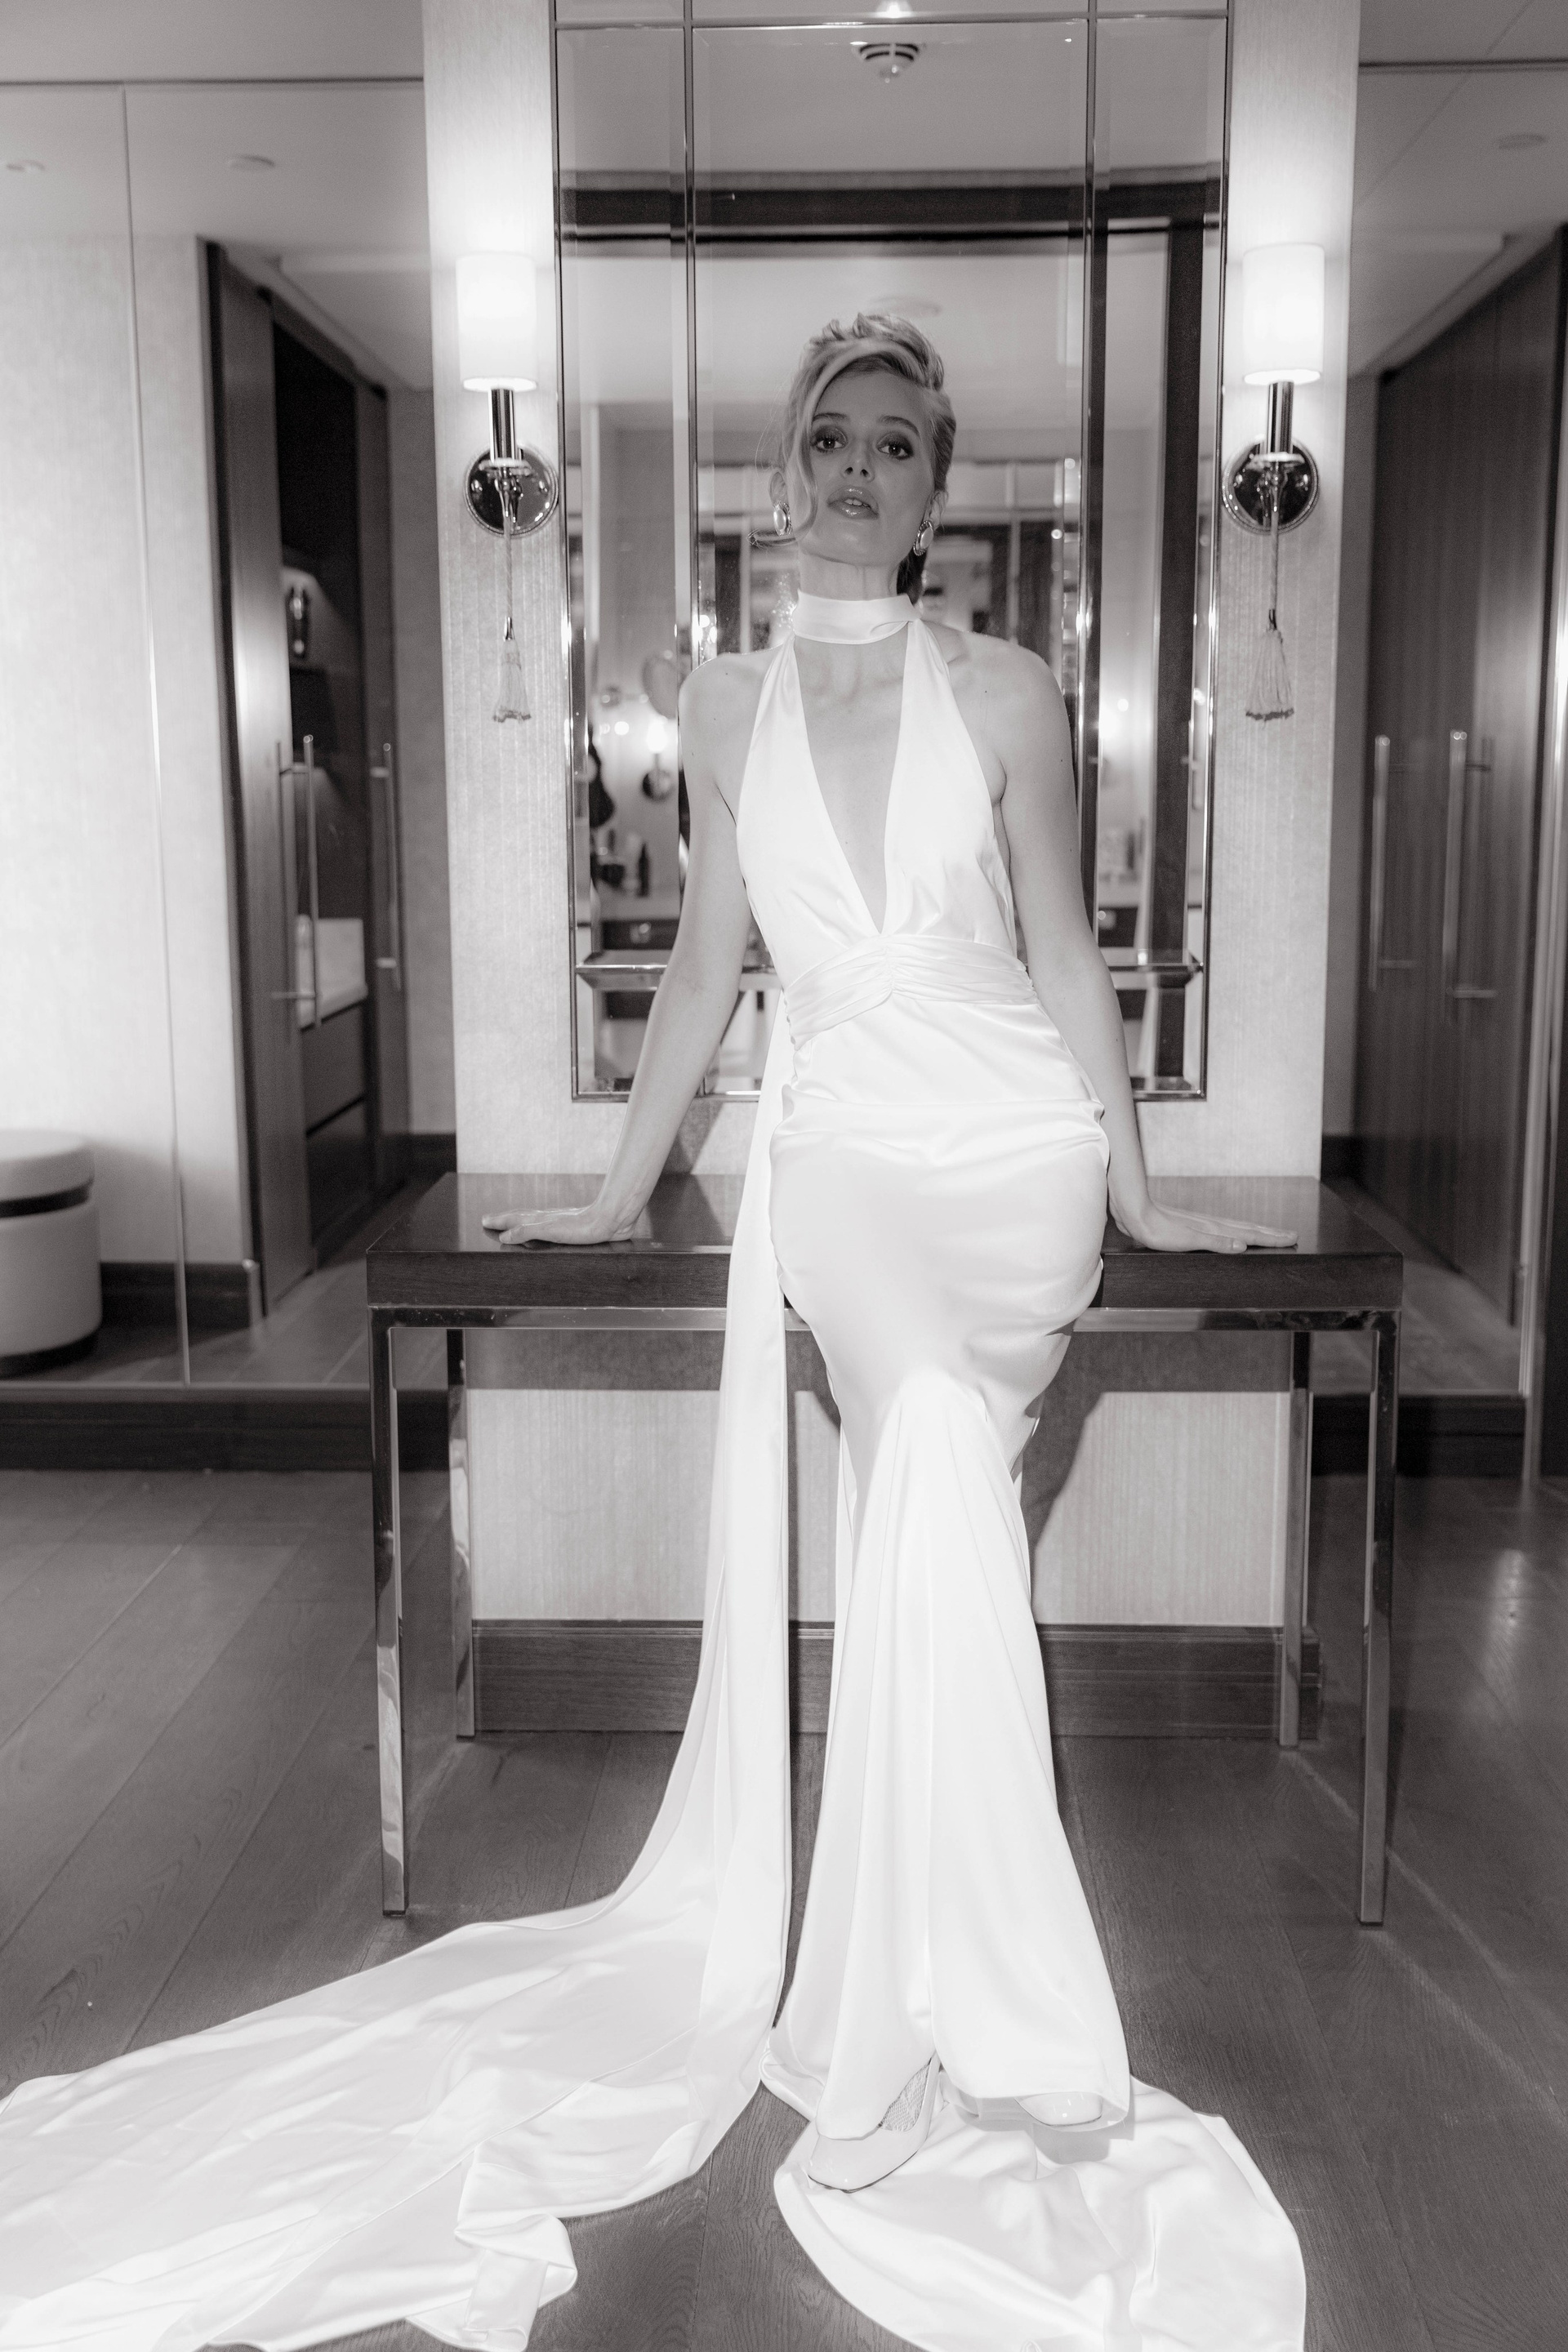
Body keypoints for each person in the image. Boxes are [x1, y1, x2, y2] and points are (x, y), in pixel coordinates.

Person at [0, 317, 1305, 2352]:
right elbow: (710, 963)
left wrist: (1134, 1189)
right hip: (845, 1151)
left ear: (937, 485)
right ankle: (948, 2025)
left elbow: (1064, 950)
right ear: (785, 472)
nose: (859, 468)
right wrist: (620, 1191)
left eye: (897, 444)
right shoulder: (717, 697)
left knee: (927, 1510)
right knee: (932, 1463)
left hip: (1014, 1152)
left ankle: (922, 2020)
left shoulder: (1012, 691)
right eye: (830, 437)